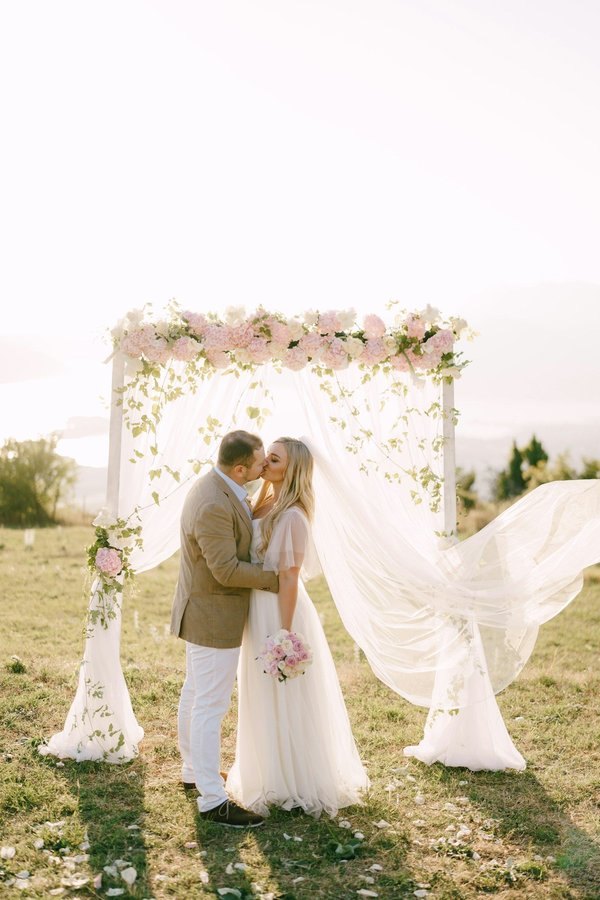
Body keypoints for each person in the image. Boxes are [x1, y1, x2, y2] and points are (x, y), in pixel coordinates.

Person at [227, 437, 370, 817]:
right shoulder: (263, 503)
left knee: (284, 694)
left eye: (273, 459)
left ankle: (292, 779)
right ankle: (267, 771)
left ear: (291, 470)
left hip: (279, 612)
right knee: (260, 693)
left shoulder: (292, 515)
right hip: (257, 607)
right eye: (266, 457)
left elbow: (289, 578)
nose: (264, 463)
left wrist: (284, 636)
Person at [170, 430, 279, 827]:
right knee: (210, 705)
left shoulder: (221, 486)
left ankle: (191, 772)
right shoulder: (214, 503)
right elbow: (226, 570)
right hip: (212, 613)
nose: (264, 465)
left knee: (196, 692)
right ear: (240, 468)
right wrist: (276, 578)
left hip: (203, 608)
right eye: (259, 462)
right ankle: (213, 801)